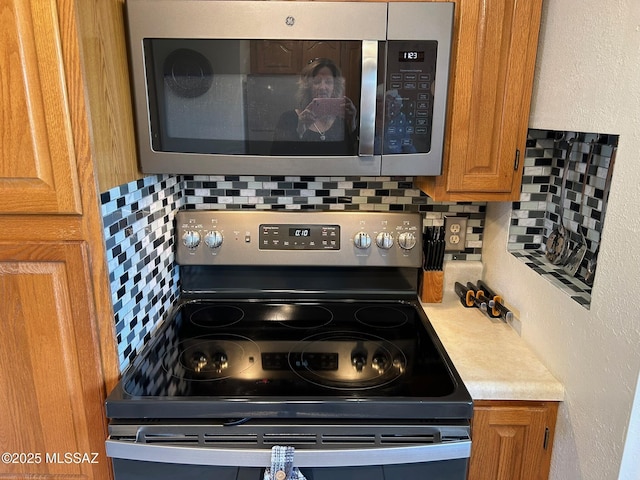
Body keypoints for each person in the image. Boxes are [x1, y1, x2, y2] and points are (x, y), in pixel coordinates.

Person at [272, 58, 358, 155]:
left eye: (328, 82)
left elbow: (353, 160)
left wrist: (352, 125)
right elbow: (277, 159)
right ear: (308, 87)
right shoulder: (288, 119)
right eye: (317, 81)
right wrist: (299, 131)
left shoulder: (342, 121)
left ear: (334, 87)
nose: (322, 87)